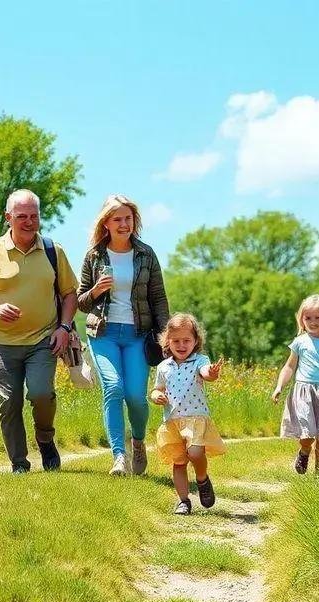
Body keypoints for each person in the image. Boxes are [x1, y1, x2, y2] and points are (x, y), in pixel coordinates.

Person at [0, 189, 79, 473]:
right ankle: (19, 463)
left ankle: (45, 438)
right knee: (9, 402)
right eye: (21, 217)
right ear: (8, 218)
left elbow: (69, 293)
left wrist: (64, 327)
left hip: (44, 339)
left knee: (41, 393)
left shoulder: (53, 250)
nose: (29, 222)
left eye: (34, 216)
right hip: (2, 343)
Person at [77, 194, 170, 476]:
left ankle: (138, 441)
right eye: (117, 219)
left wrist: (166, 338)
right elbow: (81, 300)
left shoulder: (146, 254)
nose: (123, 224)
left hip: (138, 335)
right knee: (113, 388)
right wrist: (96, 291)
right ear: (106, 223)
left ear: (134, 221)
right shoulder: (94, 256)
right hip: (103, 333)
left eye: (128, 218)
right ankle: (119, 456)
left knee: (136, 397)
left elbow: (158, 297)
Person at [150, 313, 226, 515]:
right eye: (176, 341)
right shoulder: (163, 366)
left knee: (195, 453)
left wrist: (213, 373)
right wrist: (156, 395)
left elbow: (206, 373)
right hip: (172, 421)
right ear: (167, 341)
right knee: (179, 462)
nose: (181, 345)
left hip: (195, 419)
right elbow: (157, 388)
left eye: (187, 341)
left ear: (195, 341)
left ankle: (202, 478)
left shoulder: (200, 360)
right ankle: (183, 501)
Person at [271, 294, 319, 475]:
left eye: (317, 318)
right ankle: (304, 450)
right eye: (308, 318)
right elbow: (289, 367)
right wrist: (279, 387)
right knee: (307, 435)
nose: (312, 322)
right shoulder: (300, 342)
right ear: (302, 319)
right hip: (304, 392)